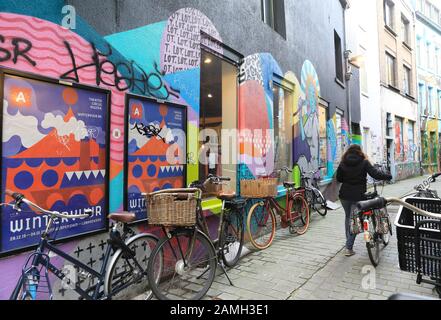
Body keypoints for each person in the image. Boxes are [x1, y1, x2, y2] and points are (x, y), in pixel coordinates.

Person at [336, 145, 392, 257]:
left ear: (348, 152)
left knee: (348, 218)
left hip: (344, 196)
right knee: (355, 221)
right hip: (358, 196)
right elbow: (375, 174)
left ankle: (348, 242)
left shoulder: (343, 163)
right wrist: (387, 176)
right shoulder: (364, 162)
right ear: (359, 152)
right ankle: (348, 247)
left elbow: (339, 178)